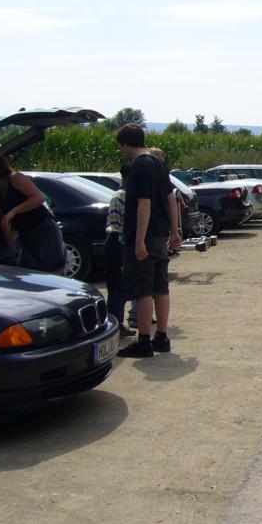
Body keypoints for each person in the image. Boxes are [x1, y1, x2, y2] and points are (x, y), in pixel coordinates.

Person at [116, 124, 183, 357]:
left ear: (126, 145)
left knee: (143, 289)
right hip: (161, 235)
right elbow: (171, 198)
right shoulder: (158, 163)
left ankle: (144, 340)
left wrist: (138, 241)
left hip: (146, 236)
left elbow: (144, 204)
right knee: (161, 286)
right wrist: (175, 231)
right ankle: (162, 337)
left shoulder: (138, 166)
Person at [0, 151, 67, 272]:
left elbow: (39, 197)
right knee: (34, 271)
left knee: (52, 270)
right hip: (27, 236)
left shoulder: (15, 178)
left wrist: (14, 211)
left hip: (44, 230)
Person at [105, 163, 136, 336]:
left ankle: (114, 323)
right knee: (119, 287)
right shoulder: (126, 195)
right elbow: (131, 222)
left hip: (113, 240)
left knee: (116, 286)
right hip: (119, 241)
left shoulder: (118, 193)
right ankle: (116, 325)